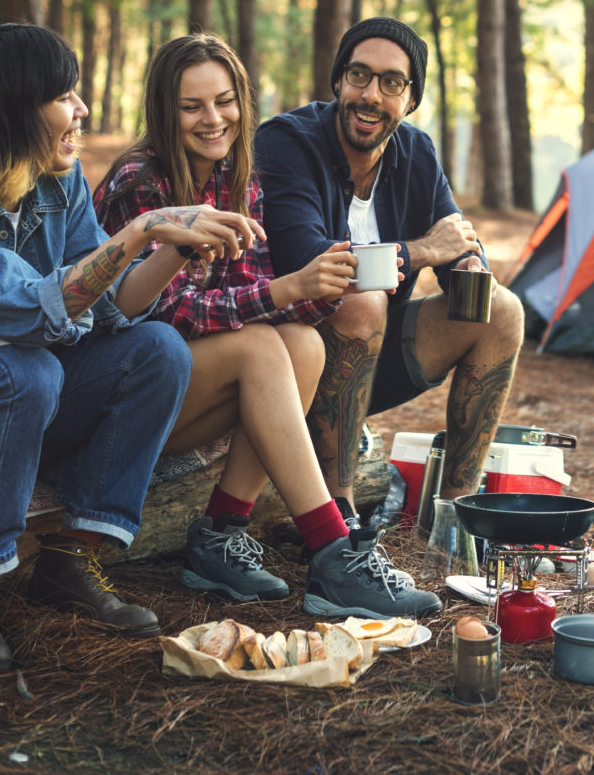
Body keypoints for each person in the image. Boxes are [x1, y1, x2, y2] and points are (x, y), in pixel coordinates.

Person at [0, 24, 268, 675]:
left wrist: (174, 242)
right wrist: (140, 228)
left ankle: (71, 557)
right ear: (12, 107)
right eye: (64, 96)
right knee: (27, 368)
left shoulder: (56, 181)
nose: (82, 110)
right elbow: (30, 307)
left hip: (23, 398)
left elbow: (114, 304)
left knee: (157, 350)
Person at [94, 33, 440, 619]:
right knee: (259, 348)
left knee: (303, 344)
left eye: (225, 101)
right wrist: (286, 289)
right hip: (124, 394)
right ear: (163, 110)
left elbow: (248, 293)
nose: (213, 119)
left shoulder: (238, 174)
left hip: (194, 387)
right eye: (192, 106)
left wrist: (313, 288)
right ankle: (333, 551)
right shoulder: (141, 180)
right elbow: (167, 314)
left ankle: (220, 535)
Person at [254, 17, 525, 530]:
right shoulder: (287, 142)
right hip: (288, 368)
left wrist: (469, 265)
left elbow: (457, 242)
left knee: (502, 311)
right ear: (338, 82)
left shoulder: (416, 152)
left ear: (411, 99)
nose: (371, 95)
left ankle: (456, 519)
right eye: (359, 75)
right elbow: (310, 262)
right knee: (361, 297)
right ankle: (340, 516)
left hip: (371, 366)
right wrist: (424, 250)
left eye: (392, 83)